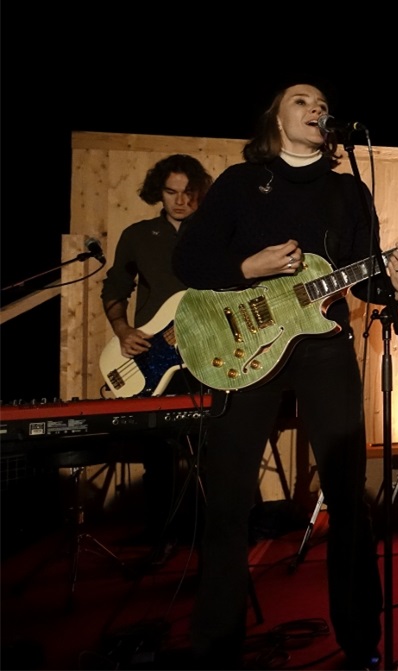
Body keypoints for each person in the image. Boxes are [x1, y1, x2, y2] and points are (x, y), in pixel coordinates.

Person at [172, 83, 398, 669]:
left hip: (323, 347)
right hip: (246, 347)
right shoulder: (239, 183)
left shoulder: (350, 190)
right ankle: (215, 647)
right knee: (230, 502)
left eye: (320, 103)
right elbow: (187, 262)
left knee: (349, 500)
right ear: (276, 121)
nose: (316, 108)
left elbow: (366, 280)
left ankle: (362, 643)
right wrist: (244, 267)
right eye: (301, 101)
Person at [101, 153, 212, 562]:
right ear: (158, 193)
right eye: (171, 192)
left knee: (210, 448)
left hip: (205, 352)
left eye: (188, 192)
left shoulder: (215, 234)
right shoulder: (137, 235)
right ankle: (161, 533)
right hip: (152, 357)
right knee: (158, 454)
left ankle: (211, 535)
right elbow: (115, 286)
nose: (180, 201)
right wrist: (123, 331)